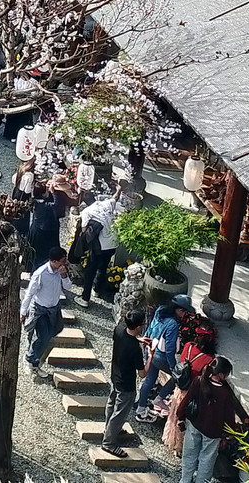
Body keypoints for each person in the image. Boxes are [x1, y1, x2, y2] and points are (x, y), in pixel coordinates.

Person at [179, 356, 248, 483]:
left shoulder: (199, 381)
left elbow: (187, 400)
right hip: (213, 432)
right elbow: (229, 416)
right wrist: (230, 433)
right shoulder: (225, 393)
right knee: (207, 460)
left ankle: (185, 480)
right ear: (221, 374)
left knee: (189, 456)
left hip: (195, 425)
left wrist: (180, 416)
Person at [137, 294, 194, 420]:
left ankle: (140, 408)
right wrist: (173, 367)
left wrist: (145, 346)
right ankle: (160, 398)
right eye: (185, 311)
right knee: (179, 377)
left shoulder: (160, 310)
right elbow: (170, 349)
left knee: (149, 380)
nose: (185, 314)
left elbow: (150, 326)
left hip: (150, 349)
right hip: (160, 355)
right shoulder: (172, 324)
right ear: (179, 310)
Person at [21, 247, 74, 380]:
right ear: (54, 261)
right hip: (41, 310)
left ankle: (34, 350)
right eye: (62, 261)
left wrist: (64, 275)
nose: (64, 263)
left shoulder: (60, 271)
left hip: (54, 309)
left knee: (56, 330)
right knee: (44, 337)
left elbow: (68, 287)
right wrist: (23, 311)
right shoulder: (41, 274)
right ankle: (31, 360)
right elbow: (29, 293)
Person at [102, 309, 148, 458]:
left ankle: (109, 429)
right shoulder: (135, 349)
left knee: (112, 403)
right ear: (139, 326)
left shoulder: (119, 329)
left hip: (115, 375)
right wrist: (151, 357)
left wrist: (138, 339)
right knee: (120, 413)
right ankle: (109, 443)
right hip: (127, 384)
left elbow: (127, 338)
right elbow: (142, 374)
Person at [164, 330, 218, 452]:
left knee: (174, 415)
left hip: (179, 387)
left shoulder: (188, 345)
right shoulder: (209, 359)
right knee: (185, 420)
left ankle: (171, 441)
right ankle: (181, 447)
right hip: (192, 392)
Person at [77, 188, 125, 305]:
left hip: (99, 246)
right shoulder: (105, 203)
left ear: (85, 202)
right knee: (103, 267)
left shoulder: (87, 211)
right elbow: (115, 197)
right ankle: (97, 290)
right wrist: (118, 189)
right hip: (112, 244)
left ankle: (85, 299)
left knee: (90, 270)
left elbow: (84, 230)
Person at [27, 184, 60, 270]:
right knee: (42, 254)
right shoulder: (45, 205)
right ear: (42, 194)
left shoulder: (34, 201)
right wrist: (54, 193)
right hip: (44, 232)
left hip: (36, 229)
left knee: (35, 253)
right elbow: (56, 204)